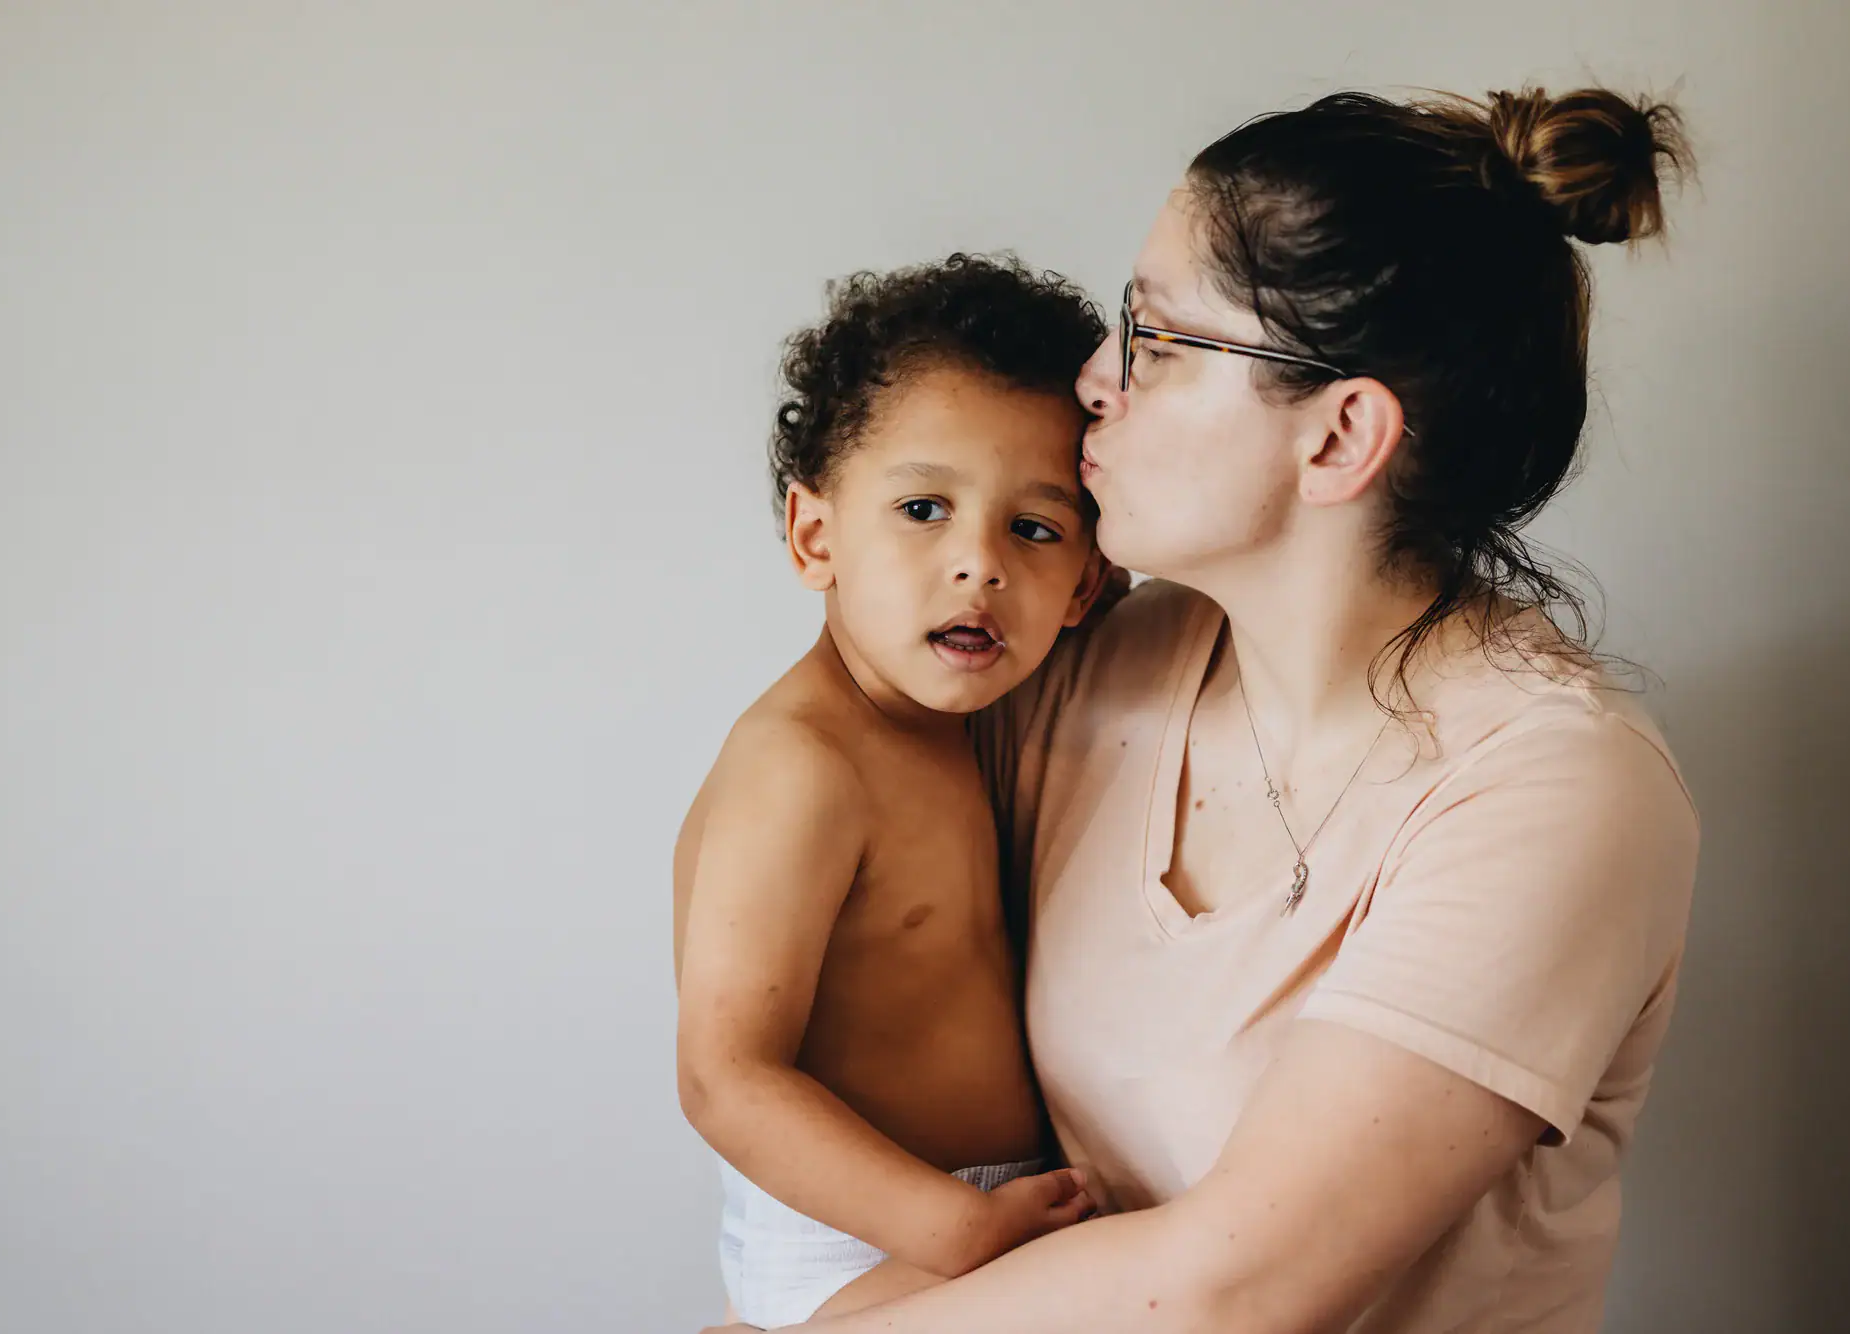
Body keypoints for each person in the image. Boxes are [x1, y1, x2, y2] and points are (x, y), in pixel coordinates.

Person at [703, 84, 1702, 1333]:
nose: (1095, 381)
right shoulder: (1085, 672)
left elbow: (1230, 1292)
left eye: (1157, 340)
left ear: (1340, 436)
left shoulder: (1553, 789)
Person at [672, 254, 1115, 1329]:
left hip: (950, 1209)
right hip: (866, 1232)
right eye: (923, 507)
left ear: (1085, 586)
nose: (979, 563)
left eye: (1035, 528)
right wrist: (946, 1227)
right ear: (814, 535)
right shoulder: (803, 764)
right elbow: (724, 1073)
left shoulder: (958, 726)